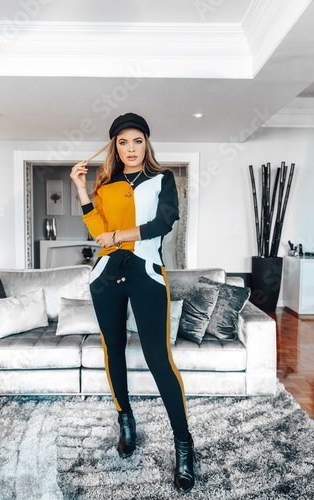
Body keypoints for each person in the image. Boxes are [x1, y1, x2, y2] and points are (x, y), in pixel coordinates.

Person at [70, 112, 195, 494]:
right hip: (106, 274)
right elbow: (95, 230)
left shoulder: (162, 178)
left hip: (146, 271)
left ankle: (184, 444)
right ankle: (125, 419)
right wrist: (80, 190)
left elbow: (165, 221)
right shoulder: (105, 183)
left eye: (136, 141)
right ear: (114, 147)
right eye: (122, 142)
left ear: (146, 143)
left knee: (159, 358)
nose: (130, 149)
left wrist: (118, 234)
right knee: (114, 351)